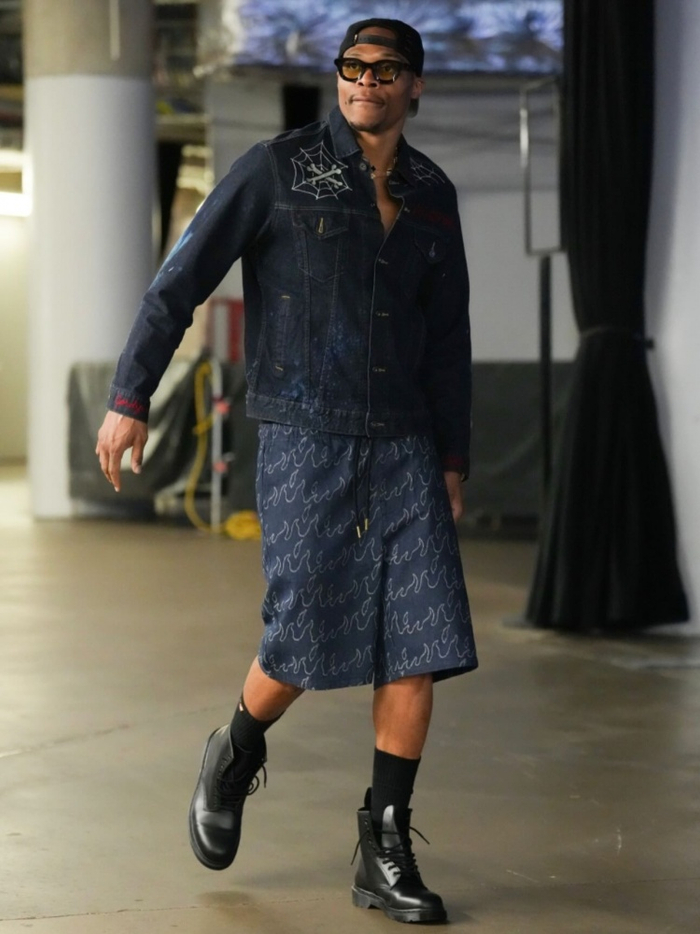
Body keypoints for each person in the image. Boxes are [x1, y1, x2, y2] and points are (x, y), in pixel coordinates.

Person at [96, 18, 477, 925]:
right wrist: (130, 395)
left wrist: (454, 455)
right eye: (353, 67)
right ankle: (235, 747)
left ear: (414, 85)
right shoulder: (279, 169)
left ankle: (384, 847)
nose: (366, 82)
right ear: (339, 78)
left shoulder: (432, 194)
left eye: (386, 70)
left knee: (420, 641)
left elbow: (448, 339)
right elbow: (179, 280)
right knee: (303, 631)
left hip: (405, 441)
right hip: (307, 433)